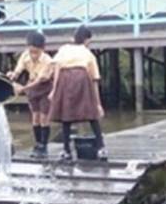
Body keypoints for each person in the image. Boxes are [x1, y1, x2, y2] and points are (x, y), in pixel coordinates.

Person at [48, 25, 107, 161]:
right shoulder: (88, 53)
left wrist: (54, 90)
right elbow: (94, 79)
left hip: (65, 79)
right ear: (86, 40)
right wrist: (98, 104)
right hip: (81, 78)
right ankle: (101, 147)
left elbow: (57, 70)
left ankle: (66, 150)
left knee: (66, 116)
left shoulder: (64, 49)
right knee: (92, 114)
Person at [7, 31, 53, 158]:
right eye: (31, 51)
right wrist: (13, 75)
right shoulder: (25, 56)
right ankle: (38, 143)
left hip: (45, 87)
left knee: (44, 117)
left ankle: (44, 146)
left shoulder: (48, 61)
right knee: (35, 116)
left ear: (42, 49)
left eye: (36, 52)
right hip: (32, 86)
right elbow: (18, 70)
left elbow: (40, 81)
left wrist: (23, 88)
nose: (33, 55)